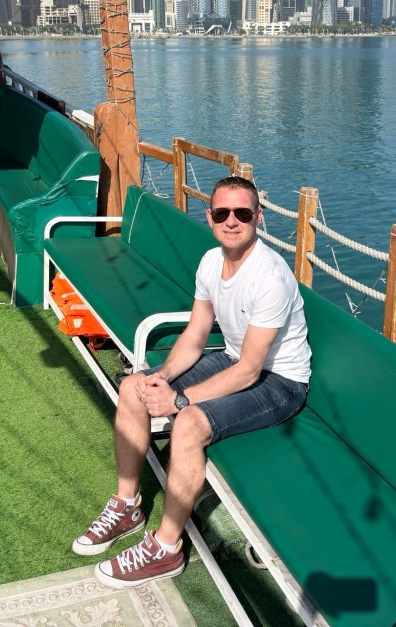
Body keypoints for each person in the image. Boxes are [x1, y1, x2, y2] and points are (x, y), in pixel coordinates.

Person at [74, 176, 312, 589]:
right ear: (210, 217)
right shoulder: (210, 262)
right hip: (234, 358)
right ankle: (128, 505)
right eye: (222, 213)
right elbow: (196, 335)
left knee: (188, 423)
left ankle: (166, 549)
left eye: (242, 213)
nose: (232, 221)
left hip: (281, 382)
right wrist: (161, 377)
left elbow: (250, 370)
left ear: (258, 217)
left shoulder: (269, 276)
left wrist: (179, 401)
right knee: (133, 387)